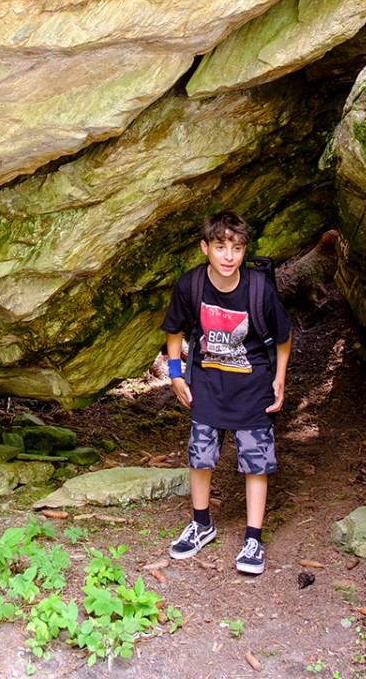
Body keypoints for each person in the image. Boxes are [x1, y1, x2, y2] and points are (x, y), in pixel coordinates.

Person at [161, 211, 291, 574]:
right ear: (206, 248)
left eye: (236, 248)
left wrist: (279, 378)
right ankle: (201, 524)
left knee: (256, 462)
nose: (229, 256)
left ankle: (253, 538)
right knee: (200, 456)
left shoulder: (258, 288)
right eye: (220, 247)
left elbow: (283, 336)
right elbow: (174, 331)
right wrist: (175, 376)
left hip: (253, 388)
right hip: (207, 385)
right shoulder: (191, 286)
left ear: (244, 250)